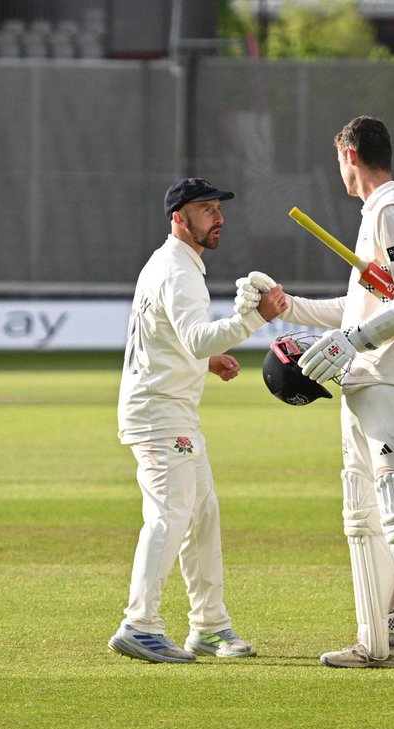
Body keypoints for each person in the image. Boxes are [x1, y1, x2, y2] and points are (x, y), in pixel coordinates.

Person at [266, 116, 394, 674]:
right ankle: (379, 641)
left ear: (350, 154)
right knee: (364, 515)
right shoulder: (372, 216)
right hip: (364, 380)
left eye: (338, 161)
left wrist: (349, 341)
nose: (339, 171)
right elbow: (358, 309)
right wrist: (290, 308)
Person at [108, 177, 288, 663]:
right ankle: (140, 623)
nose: (218, 218)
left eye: (218, 209)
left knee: (202, 516)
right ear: (179, 218)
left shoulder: (171, 263)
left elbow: (161, 335)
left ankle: (209, 627)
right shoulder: (178, 271)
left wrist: (205, 361)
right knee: (171, 515)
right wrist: (254, 320)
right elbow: (194, 337)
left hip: (171, 408)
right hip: (161, 413)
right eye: (206, 210)